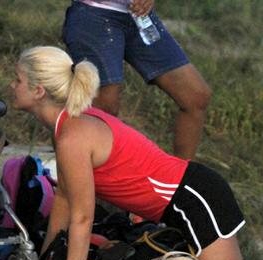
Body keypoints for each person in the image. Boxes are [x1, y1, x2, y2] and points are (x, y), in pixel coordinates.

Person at [10, 46, 263, 260]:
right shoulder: (70, 125)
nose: (12, 86)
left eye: (18, 79)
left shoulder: (72, 135)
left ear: (38, 90)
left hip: (195, 199)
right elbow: (65, 201)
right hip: (180, 203)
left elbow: (83, 217)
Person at [61, 0, 211, 160]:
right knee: (104, 108)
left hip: (138, 16)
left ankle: (182, 179)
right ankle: (82, 177)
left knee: (195, 95)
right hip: (94, 13)